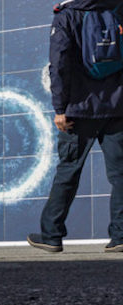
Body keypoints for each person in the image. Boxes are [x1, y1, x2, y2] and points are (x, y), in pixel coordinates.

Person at [30, 1, 123, 253]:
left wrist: (60, 108)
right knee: (120, 174)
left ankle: (51, 235)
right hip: (116, 107)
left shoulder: (68, 15)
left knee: (68, 171)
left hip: (78, 109)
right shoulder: (117, 8)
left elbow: (58, 63)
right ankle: (120, 236)